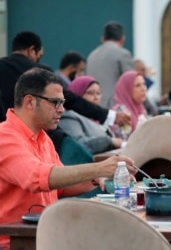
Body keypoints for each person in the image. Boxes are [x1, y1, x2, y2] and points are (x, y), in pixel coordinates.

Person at [0, 68, 137, 249]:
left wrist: (96, 179)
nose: (62, 110)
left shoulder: (43, 137)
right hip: (15, 243)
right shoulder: (5, 137)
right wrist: (100, 168)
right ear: (30, 102)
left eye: (62, 102)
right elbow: (37, 177)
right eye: (56, 102)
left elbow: (59, 187)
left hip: (44, 236)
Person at [0, 31, 131, 145]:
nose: (60, 109)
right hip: (36, 138)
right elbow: (71, 100)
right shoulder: (41, 72)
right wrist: (108, 115)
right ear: (31, 50)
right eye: (39, 56)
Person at [58, 76, 123, 154]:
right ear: (77, 95)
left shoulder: (98, 120)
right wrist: (109, 141)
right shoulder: (70, 118)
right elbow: (78, 145)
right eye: (90, 93)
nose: (96, 97)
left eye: (98, 93)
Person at [87, 21, 134, 108]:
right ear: (122, 39)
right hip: (114, 109)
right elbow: (132, 84)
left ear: (103, 39)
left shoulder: (91, 55)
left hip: (92, 106)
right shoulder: (123, 54)